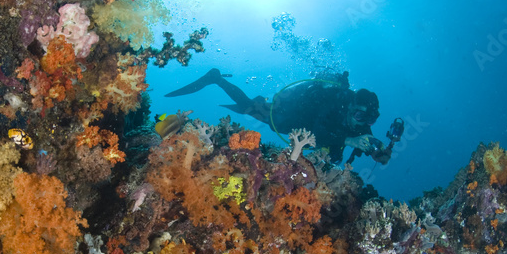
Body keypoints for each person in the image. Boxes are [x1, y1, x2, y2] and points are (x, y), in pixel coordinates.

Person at [166, 68, 395, 164]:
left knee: (248, 108)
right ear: (351, 105)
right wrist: (347, 140)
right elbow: (320, 129)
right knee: (248, 108)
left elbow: (364, 136)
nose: (362, 123)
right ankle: (216, 78)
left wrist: (378, 151)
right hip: (289, 114)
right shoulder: (334, 104)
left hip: (298, 121)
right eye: (358, 115)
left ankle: (226, 87)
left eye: (369, 120)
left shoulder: (360, 122)